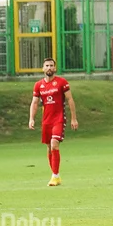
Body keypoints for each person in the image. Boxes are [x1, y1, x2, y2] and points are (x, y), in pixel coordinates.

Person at [29, 58, 78, 186]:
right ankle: (55, 175)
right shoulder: (38, 85)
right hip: (46, 120)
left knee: (54, 144)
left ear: (55, 68)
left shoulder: (62, 82)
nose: (49, 68)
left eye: (51, 65)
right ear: (43, 68)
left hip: (59, 119)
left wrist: (74, 118)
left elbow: (70, 100)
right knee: (49, 148)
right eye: (47, 65)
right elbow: (34, 103)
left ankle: (55, 176)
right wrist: (31, 118)